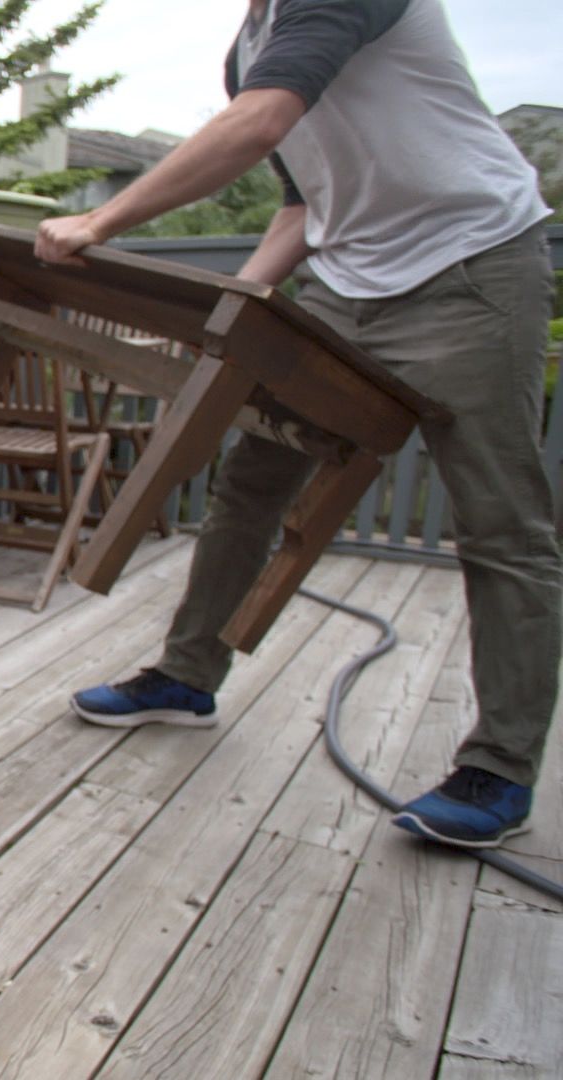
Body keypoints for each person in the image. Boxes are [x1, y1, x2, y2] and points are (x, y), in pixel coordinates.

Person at [37, 0, 557, 849]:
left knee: (501, 522)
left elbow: (261, 122)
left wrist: (100, 221)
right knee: (252, 475)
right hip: (347, 280)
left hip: (472, 268)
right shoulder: (251, 46)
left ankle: (500, 767)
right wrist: (236, 313)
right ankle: (185, 676)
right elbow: (301, 205)